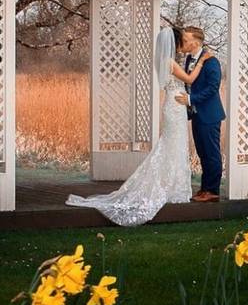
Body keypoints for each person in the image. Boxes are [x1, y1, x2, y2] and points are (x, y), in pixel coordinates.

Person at [65, 27, 214, 226]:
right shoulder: (169, 62)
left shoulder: (164, 61)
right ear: (172, 43)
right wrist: (202, 61)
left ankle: (175, 187)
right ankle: (175, 188)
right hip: (176, 105)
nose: (181, 46)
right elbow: (189, 79)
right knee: (174, 147)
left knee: (173, 147)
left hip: (173, 105)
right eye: (179, 42)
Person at [174, 26, 226, 202]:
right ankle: (205, 189)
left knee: (211, 153)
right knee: (203, 153)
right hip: (197, 115)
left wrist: (190, 99)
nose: (183, 43)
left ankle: (212, 191)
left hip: (209, 115)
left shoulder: (211, 62)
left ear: (196, 42)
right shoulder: (189, 58)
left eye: (186, 40)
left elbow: (212, 88)